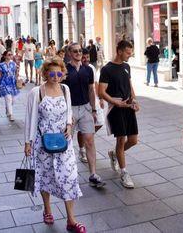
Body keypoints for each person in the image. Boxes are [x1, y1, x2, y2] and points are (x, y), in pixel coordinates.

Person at [24, 58, 85, 233]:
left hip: (64, 142)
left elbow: (69, 111)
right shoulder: (37, 92)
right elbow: (30, 118)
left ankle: (71, 220)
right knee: (45, 177)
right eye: (52, 73)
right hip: (43, 143)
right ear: (45, 73)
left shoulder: (65, 89)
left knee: (69, 176)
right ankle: (47, 209)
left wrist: (68, 125)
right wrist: (28, 143)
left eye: (59, 73)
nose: (56, 77)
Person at [98, 40, 140, 189]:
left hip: (128, 106)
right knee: (121, 141)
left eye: (131, 52)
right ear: (119, 51)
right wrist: (116, 103)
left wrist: (134, 100)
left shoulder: (127, 66)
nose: (130, 55)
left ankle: (115, 154)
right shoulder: (107, 69)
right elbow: (101, 92)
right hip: (116, 108)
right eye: (128, 53)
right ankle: (124, 173)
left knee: (133, 140)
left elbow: (129, 85)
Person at [62, 43, 105, 188]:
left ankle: (93, 174)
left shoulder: (88, 70)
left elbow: (91, 90)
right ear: (69, 53)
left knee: (90, 141)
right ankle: (66, 173)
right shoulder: (65, 70)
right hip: (70, 110)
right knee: (66, 142)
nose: (78, 53)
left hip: (86, 108)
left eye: (80, 51)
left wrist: (93, 109)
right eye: (75, 51)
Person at [0, 50, 20, 121]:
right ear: (5, 56)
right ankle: (11, 114)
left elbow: (16, 72)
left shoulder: (13, 63)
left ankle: (7, 109)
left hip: (12, 83)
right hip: (4, 83)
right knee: (8, 99)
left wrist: (17, 78)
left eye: (11, 54)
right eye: (9, 54)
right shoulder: (1, 65)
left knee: (13, 100)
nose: (10, 56)